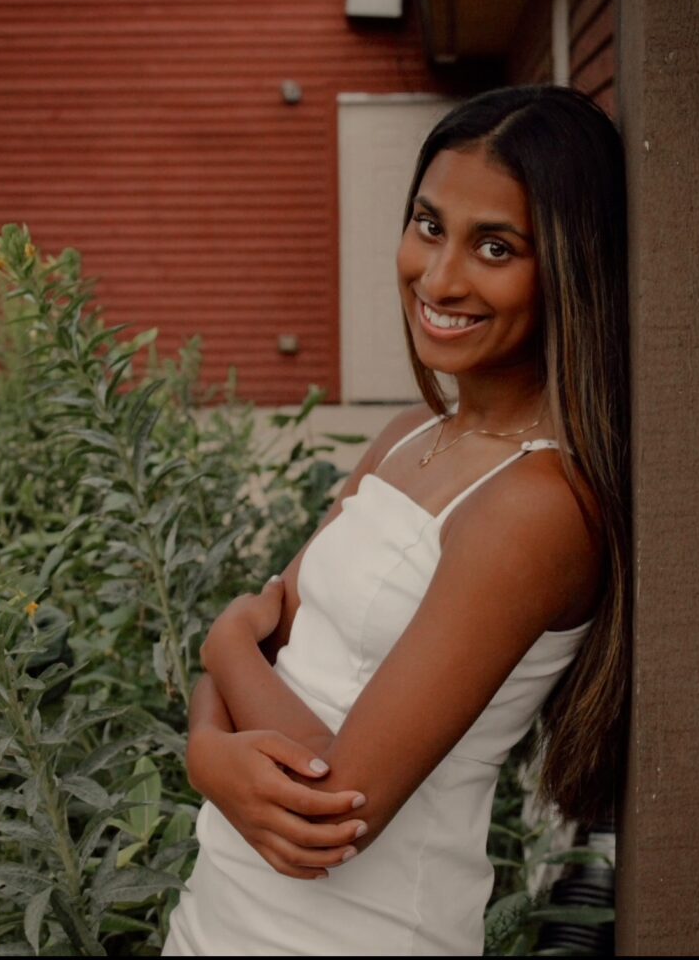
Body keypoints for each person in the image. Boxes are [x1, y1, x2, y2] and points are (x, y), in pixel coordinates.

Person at [161, 84, 630, 956]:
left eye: (496, 246)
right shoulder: (405, 438)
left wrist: (220, 650)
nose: (440, 277)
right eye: (428, 225)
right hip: (219, 914)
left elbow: (332, 807)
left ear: (572, 264)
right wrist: (212, 737)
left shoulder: (538, 506)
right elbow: (281, 655)